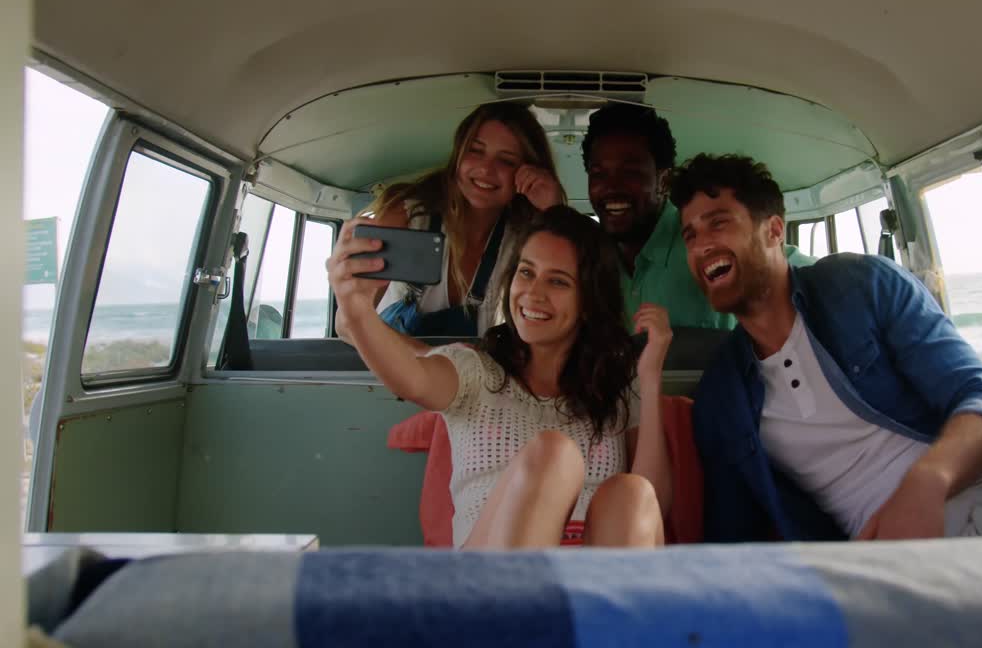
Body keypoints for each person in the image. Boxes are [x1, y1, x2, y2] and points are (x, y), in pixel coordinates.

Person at [670, 153, 982, 542]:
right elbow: (734, 531)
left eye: (718, 223)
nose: (702, 246)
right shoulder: (723, 393)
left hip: (978, 497)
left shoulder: (863, 286)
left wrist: (928, 480)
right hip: (879, 554)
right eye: (690, 235)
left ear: (774, 230)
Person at [328, 205, 672, 548]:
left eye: (557, 281)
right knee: (553, 454)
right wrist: (356, 309)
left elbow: (653, 507)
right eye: (526, 272)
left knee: (631, 492)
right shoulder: (475, 372)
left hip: (590, 571)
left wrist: (649, 377)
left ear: (589, 300)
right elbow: (412, 378)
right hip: (491, 570)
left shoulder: (614, 385)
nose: (533, 293)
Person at [336, 102, 565, 339]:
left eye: (506, 160)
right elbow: (348, 326)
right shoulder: (408, 215)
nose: (486, 169)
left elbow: (562, 311)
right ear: (458, 155)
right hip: (387, 359)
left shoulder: (524, 236)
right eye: (475, 151)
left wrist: (554, 210)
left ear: (526, 171)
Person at [583, 103, 813, 330]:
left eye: (629, 172)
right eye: (598, 173)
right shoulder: (588, 257)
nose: (611, 187)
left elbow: (784, 265)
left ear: (663, 181)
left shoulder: (704, 241)